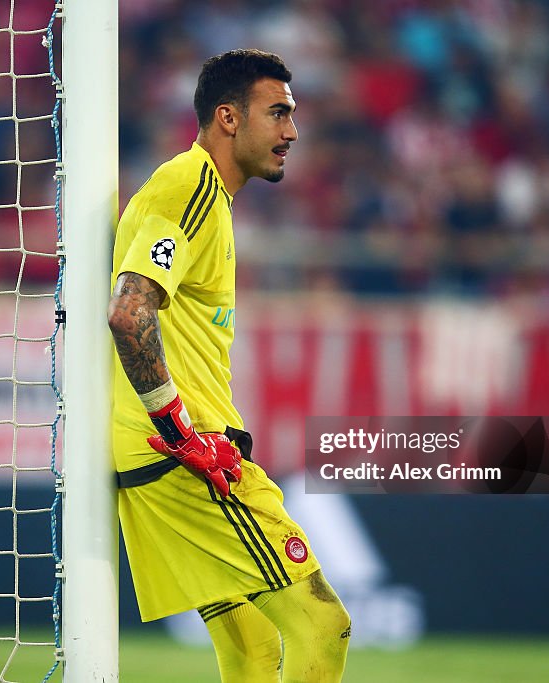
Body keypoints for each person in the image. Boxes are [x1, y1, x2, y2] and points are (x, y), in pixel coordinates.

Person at [107, 49, 351, 682]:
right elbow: (130, 312)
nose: (292, 131)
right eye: (278, 113)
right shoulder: (190, 186)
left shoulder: (203, 197)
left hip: (156, 456)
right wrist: (178, 428)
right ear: (228, 118)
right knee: (324, 627)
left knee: (252, 649)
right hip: (185, 456)